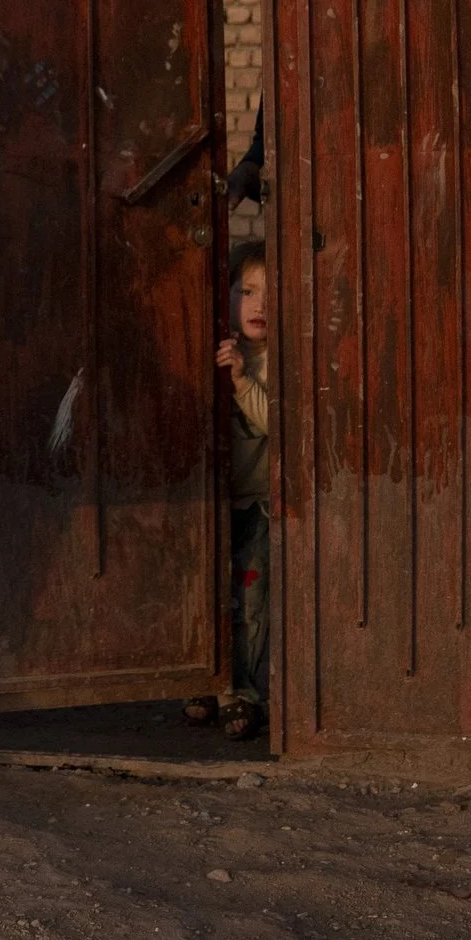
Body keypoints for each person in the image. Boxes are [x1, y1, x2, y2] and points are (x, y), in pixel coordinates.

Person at [212, 240, 271, 738]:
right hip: (209, 504)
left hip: (257, 504)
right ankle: (206, 682)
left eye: (272, 294)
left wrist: (242, 381)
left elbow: (280, 422)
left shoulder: (277, 361)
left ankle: (245, 692)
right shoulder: (212, 347)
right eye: (247, 291)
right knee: (203, 593)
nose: (260, 305)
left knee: (249, 603)